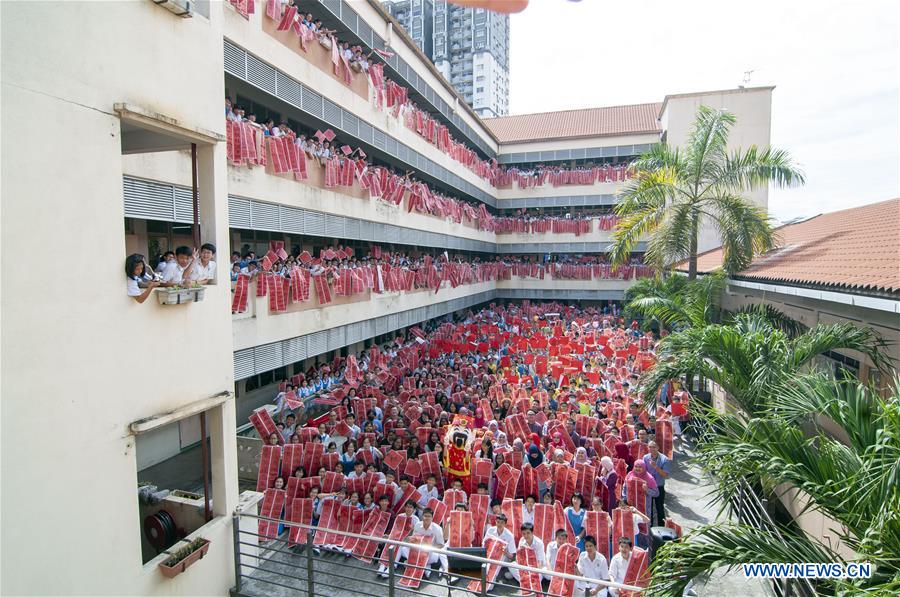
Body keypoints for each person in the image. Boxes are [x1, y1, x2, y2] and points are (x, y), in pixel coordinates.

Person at [398, 508, 449, 579]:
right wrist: (411, 539)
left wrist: (430, 546)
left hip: (430, 552)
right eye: (425, 516)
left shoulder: (437, 528)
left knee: (437, 555)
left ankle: (415, 564)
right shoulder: (418, 525)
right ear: (422, 516)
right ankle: (426, 566)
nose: (427, 518)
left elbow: (441, 545)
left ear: (432, 517)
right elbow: (413, 539)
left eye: (429, 516)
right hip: (417, 550)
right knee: (403, 549)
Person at [642, 441, 671, 527]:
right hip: (648, 487)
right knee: (648, 508)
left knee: (660, 508)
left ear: (658, 448)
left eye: (653, 447)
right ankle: (649, 527)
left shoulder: (664, 459)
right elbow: (643, 471)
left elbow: (665, 474)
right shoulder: (645, 457)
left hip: (659, 486)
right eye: (650, 447)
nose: (651, 449)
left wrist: (656, 467)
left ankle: (661, 527)